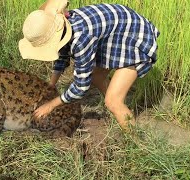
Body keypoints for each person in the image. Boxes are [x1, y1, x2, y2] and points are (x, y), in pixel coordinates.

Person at [19, 0, 160, 131]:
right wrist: (51, 86)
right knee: (96, 76)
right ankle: (119, 107)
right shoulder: (61, 27)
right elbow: (62, 55)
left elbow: (81, 87)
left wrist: (51, 105)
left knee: (113, 101)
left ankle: (133, 141)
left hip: (135, 37)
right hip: (117, 34)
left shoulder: (81, 39)